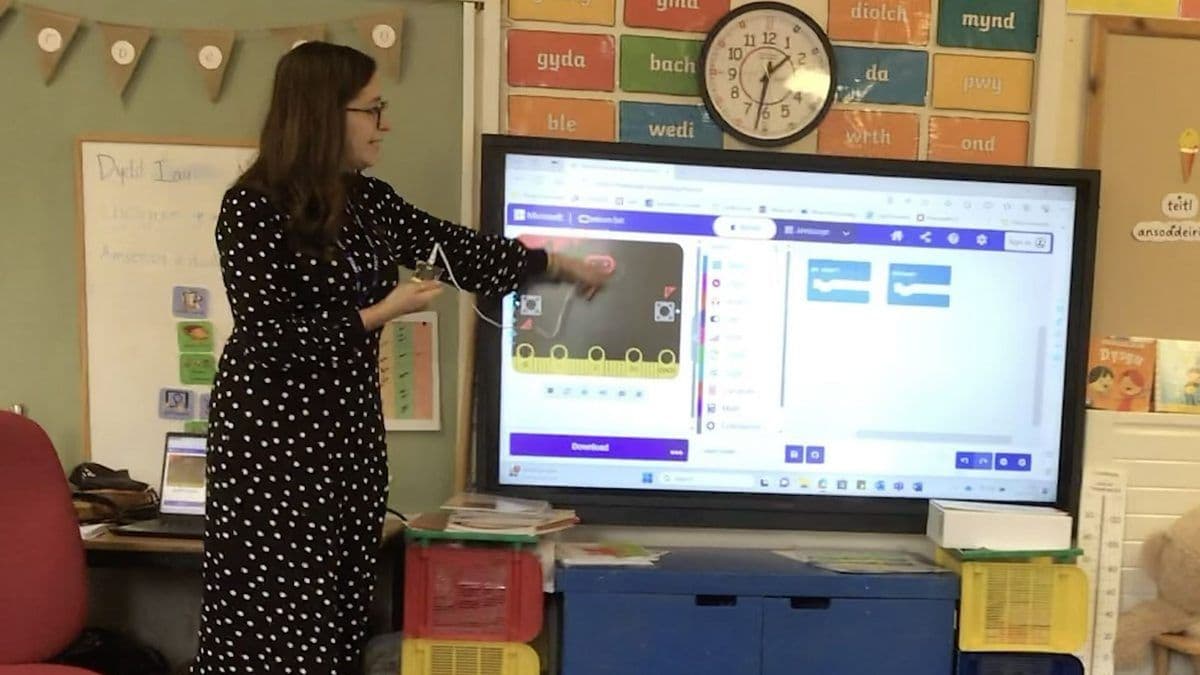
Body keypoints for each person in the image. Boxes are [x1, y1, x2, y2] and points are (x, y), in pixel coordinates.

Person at [193, 42, 608, 674]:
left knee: (337, 622)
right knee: (276, 628)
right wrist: (380, 312)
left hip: (348, 436)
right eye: (372, 109)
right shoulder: (251, 207)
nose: (384, 124)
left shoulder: (368, 201)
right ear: (323, 115)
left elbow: (455, 249)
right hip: (272, 448)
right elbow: (269, 338)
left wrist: (555, 264)